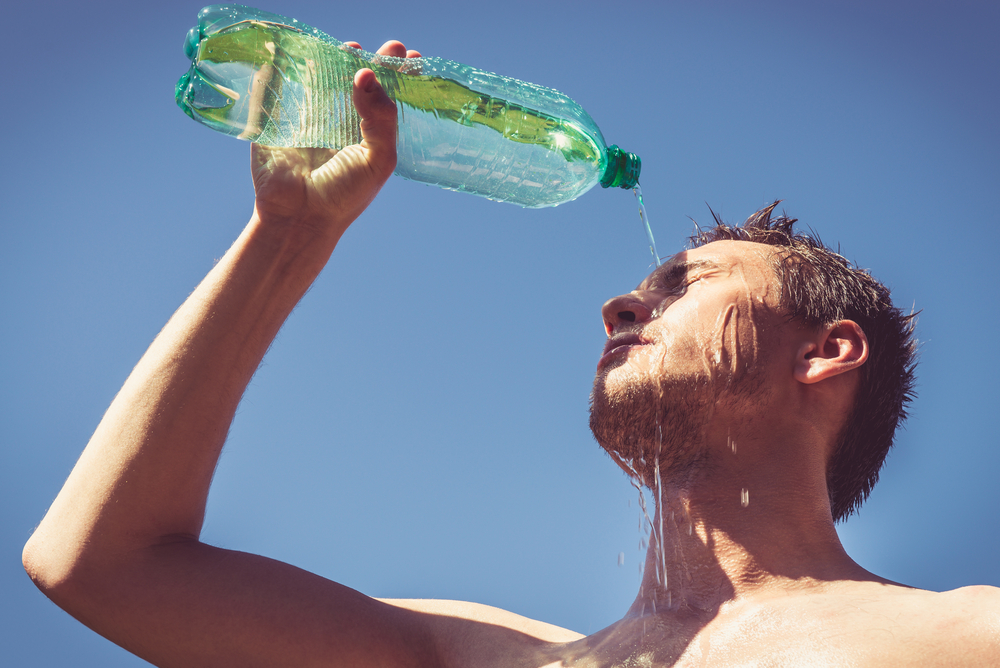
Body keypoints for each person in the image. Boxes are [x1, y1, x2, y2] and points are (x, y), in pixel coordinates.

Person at [22, 41, 1000, 667]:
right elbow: (101, 564)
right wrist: (287, 236)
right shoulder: (480, 657)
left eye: (684, 285)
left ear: (825, 351)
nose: (620, 300)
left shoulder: (965, 633)